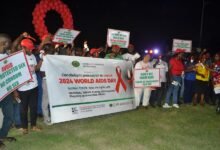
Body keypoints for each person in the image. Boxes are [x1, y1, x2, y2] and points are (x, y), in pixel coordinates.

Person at [14, 38, 42, 134]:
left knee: (33, 107)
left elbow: (36, 69)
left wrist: (42, 59)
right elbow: (13, 76)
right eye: (29, 49)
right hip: (22, 89)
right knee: (23, 109)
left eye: (31, 49)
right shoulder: (17, 58)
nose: (31, 50)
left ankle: (33, 125)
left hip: (34, 86)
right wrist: (15, 91)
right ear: (23, 47)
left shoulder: (32, 56)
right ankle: (24, 127)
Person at [0, 34, 16, 148]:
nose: (10, 44)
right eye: (9, 42)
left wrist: (14, 90)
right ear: (4, 43)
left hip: (6, 92)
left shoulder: (6, 55)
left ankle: (2, 135)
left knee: (9, 115)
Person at [40, 43, 55, 125]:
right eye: (50, 49)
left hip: (53, 80)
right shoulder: (43, 57)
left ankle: (53, 116)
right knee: (46, 100)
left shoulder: (53, 57)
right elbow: (42, 73)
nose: (52, 50)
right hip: (46, 81)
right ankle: (46, 118)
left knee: (53, 99)